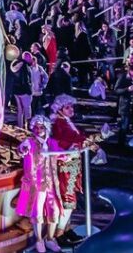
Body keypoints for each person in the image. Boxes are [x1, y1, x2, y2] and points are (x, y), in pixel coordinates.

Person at [51, 95, 98, 246]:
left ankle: (66, 229)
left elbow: (78, 139)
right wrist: (94, 141)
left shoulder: (65, 121)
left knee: (70, 198)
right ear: (60, 109)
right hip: (67, 165)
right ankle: (60, 234)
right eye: (67, 107)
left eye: (71, 107)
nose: (71, 110)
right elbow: (70, 141)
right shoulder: (59, 124)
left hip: (72, 164)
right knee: (69, 199)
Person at [15, 116, 63, 252]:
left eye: (41, 127)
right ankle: (39, 240)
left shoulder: (52, 142)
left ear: (46, 128)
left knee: (54, 209)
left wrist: (70, 154)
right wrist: (22, 150)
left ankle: (50, 239)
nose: (38, 130)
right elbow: (21, 150)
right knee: (37, 211)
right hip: (37, 183)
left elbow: (60, 154)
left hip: (51, 182)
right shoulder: (29, 142)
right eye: (36, 127)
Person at [11, 52, 35, 129]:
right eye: (30, 58)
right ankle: (28, 127)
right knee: (27, 110)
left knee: (20, 111)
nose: (31, 59)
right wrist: (30, 92)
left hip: (16, 91)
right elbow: (26, 81)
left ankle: (20, 127)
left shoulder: (15, 65)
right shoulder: (25, 67)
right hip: (24, 92)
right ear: (27, 58)